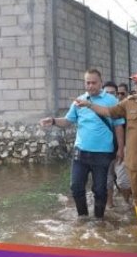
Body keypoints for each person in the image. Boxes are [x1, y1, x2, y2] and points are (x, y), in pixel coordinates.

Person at [74, 69, 137, 232]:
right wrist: (89, 105)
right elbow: (108, 112)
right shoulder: (129, 103)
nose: (135, 85)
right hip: (134, 159)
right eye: (135, 82)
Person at [40, 69, 125, 219]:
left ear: (101, 83)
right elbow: (67, 121)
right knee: (76, 187)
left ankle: (99, 219)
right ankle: (83, 217)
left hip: (103, 153)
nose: (90, 86)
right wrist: (53, 121)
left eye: (94, 82)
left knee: (100, 189)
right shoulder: (78, 101)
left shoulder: (111, 101)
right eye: (88, 83)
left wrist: (121, 148)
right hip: (81, 152)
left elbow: (118, 125)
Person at [103, 81, 132, 207]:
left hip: (122, 150)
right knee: (107, 180)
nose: (110, 95)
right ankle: (110, 206)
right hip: (104, 151)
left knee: (123, 182)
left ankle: (127, 201)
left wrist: (124, 148)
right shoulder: (98, 109)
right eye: (107, 93)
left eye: (112, 93)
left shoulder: (124, 110)